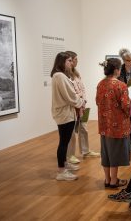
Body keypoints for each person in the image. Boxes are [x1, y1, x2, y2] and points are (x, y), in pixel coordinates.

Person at [96, 58, 131, 188]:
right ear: (116, 70)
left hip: (104, 124)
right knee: (115, 152)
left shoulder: (100, 84)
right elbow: (126, 106)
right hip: (117, 125)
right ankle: (114, 180)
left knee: (105, 152)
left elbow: (97, 101)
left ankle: (107, 179)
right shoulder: (121, 85)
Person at [51, 52, 85, 181]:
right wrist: (81, 102)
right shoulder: (59, 76)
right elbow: (70, 95)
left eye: (72, 60)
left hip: (66, 113)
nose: (72, 63)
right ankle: (61, 171)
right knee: (63, 143)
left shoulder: (60, 75)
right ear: (62, 62)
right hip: (64, 114)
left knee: (64, 141)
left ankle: (64, 164)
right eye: (69, 61)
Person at [66, 51, 100, 164]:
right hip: (73, 107)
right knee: (70, 132)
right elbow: (71, 93)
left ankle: (86, 151)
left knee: (84, 128)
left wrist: (84, 100)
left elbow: (82, 88)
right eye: (74, 59)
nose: (76, 61)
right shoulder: (65, 75)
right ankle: (70, 155)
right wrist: (78, 101)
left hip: (82, 106)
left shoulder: (76, 73)